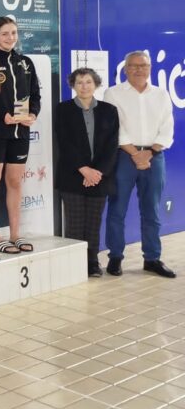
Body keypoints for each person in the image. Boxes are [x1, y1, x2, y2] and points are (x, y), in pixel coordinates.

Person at [103, 51, 176, 278]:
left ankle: (152, 258)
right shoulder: (113, 93)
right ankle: (115, 257)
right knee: (117, 209)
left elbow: (167, 127)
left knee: (151, 209)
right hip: (124, 156)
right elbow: (114, 127)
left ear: (150, 68)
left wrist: (150, 152)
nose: (138, 70)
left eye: (143, 65)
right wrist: (136, 154)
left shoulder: (161, 95)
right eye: (133, 66)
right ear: (125, 69)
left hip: (155, 156)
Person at [0, 16, 40, 254]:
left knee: (14, 182)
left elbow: (35, 95)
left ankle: (15, 234)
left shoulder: (25, 62)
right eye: (4, 33)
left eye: (13, 33)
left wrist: (32, 114)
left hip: (20, 132)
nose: (10, 37)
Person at [55, 68, 119, 278]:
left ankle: (92, 261)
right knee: (74, 223)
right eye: (79, 82)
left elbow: (112, 145)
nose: (84, 86)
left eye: (88, 82)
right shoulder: (63, 109)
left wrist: (97, 172)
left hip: (99, 177)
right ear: (73, 85)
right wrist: (84, 169)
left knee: (93, 222)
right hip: (72, 175)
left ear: (96, 84)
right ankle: (74, 262)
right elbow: (64, 143)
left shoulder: (109, 110)